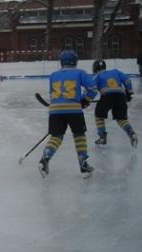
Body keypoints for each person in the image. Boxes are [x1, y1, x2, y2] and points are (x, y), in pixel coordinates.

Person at [38, 50, 98, 178]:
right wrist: (85, 100)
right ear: (75, 61)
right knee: (79, 135)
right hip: (73, 110)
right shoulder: (80, 72)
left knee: (56, 136)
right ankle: (83, 164)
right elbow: (92, 89)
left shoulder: (53, 75)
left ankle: (45, 159)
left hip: (55, 110)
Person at [92, 60, 137, 148]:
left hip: (107, 96)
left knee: (99, 115)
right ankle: (131, 132)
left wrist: (85, 99)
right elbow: (127, 80)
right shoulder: (116, 71)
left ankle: (102, 136)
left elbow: (91, 88)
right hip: (120, 96)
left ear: (95, 68)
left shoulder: (97, 76)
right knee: (121, 119)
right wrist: (129, 92)